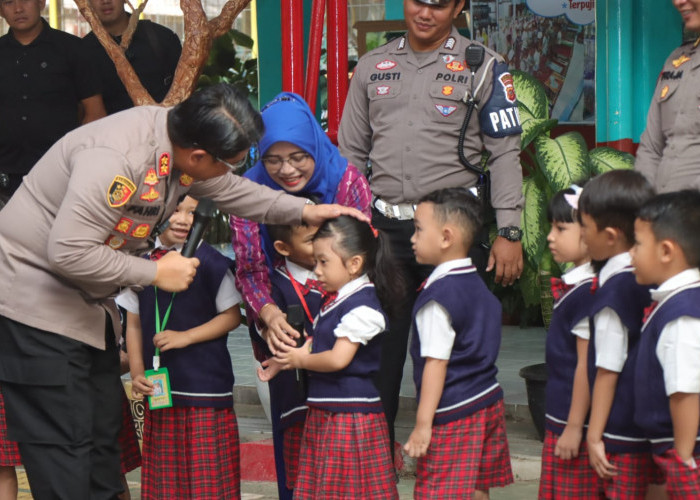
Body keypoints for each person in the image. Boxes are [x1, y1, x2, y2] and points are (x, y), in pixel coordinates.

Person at [0, 83, 364, 500]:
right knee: (64, 447)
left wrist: (303, 210)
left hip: (84, 307)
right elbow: (67, 251)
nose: (232, 172)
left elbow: (232, 191)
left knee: (101, 439)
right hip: (35, 307)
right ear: (198, 157)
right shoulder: (116, 160)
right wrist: (155, 273)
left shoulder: (179, 141)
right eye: (230, 163)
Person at [337, 0, 524, 450]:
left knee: (451, 349)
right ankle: (376, 456)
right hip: (386, 230)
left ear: (458, 7)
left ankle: (450, 454)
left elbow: (503, 154)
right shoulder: (371, 67)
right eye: (418, 1)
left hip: (452, 233)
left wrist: (510, 231)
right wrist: (345, 226)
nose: (426, 13)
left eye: (440, 5)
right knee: (378, 347)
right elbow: (350, 155)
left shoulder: (484, 67)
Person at [118, 195, 242, 499]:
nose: (184, 219)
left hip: (206, 391)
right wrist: (136, 374)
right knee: (165, 481)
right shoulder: (140, 262)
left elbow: (232, 316)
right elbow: (132, 323)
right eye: (176, 209)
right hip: (161, 394)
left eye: (193, 212)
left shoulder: (211, 262)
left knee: (209, 482)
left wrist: (186, 336)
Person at [231, 92, 371, 352]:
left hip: (345, 315)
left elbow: (360, 258)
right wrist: (270, 315)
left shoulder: (347, 182)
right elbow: (250, 269)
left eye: (298, 157)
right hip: (277, 308)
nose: (287, 170)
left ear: (314, 146)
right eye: (272, 160)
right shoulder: (247, 191)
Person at [275, 216, 403, 498]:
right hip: (330, 411)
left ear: (354, 263)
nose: (316, 270)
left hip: (349, 416)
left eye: (324, 262)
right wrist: (285, 358)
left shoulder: (363, 307)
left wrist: (300, 361)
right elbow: (318, 344)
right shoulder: (335, 299)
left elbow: (337, 359)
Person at [404, 188, 513, 499]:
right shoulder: (476, 285)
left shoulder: (438, 299)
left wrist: (424, 424)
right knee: (478, 486)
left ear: (446, 237)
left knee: (439, 490)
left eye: (418, 229)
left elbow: (436, 364)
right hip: (488, 400)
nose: (412, 237)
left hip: (454, 410)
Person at [578, 170, 660, 498]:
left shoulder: (616, 292)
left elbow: (608, 370)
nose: (582, 236)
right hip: (648, 425)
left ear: (610, 235)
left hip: (620, 430)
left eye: (584, 226)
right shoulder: (647, 277)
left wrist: (595, 434)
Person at [0, 0, 105, 203]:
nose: (18, 9)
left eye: (25, 1)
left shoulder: (73, 49)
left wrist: (76, 164)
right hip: (4, 179)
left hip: (60, 178)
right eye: (8, 2)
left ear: (42, 3)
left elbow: (95, 114)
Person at [632, 190, 700, 499]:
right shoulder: (676, 302)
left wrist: (682, 460)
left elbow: (685, 392)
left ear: (666, 251)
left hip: (682, 452)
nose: (631, 253)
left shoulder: (681, 316)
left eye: (638, 244)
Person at [538, 186, 599, 499]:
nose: (551, 236)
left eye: (561, 228)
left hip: (575, 423)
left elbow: (586, 366)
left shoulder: (590, 293)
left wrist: (575, 426)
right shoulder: (578, 285)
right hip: (561, 415)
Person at [254, 223, 322, 497]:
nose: (321, 245)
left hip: (330, 393)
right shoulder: (271, 285)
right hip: (293, 393)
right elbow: (260, 326)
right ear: (282, 248)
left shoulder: (336, 277)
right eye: (311, 240)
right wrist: (269, 329)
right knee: (298, 472)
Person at [635, 0, 700, 193]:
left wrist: (684, 209)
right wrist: (645, 205)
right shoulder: (677, 60)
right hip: (662, 214)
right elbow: (651, 149)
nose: (678, 1)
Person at [83, 0, 182, 114]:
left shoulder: (161, 37)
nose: (105, 1)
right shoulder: (83, 52)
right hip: (115, 129)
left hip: (164, 126)